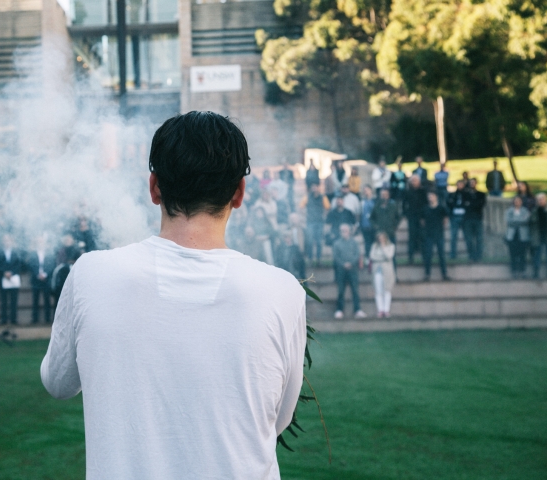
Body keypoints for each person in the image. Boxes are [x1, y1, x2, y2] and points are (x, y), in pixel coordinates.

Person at [41, 111, 307, 479]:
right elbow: (278, 418)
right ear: (239, 193)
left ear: (154, 188)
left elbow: (57, 382)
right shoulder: (281, 291)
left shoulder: (90, 273)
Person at [333, 223, 366, 319]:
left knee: (355, 290)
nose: (344, 233)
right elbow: (336, 257)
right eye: (342, 231)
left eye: (345, 231)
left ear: (349, 232)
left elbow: (357, 255)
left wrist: (351, 263)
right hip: (341, 271)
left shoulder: (354, 243)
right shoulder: (336, 243)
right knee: (340, 291)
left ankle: (357, 310)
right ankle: (339, 310)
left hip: (353, 270)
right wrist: (343, 264)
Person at [421, 191, 450, 281]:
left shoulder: (441, 208)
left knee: (441, 255)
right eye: (429, 196)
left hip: (439, 235)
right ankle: (427, 274)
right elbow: (422, 221)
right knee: (428, 255)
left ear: (436, 197)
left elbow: (446, 219)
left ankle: (444, 274)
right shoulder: (425, 208)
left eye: (432, 196)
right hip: (429, 235)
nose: (430, 198)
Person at [0, 234, 22, 325]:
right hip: (2, 278)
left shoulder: (16, 252)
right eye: (5, 240)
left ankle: (13, 319)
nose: (7, 242)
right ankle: (4, 319)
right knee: (4, 300)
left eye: (8, 240)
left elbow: (19, 264)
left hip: (13, 278)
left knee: (14, 300)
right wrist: (4, 272)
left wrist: (12, 273)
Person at [28, 235, 56, 324]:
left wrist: (45, 274)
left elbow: (51, 265)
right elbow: (31, 265)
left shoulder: (49, 253)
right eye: (39, 242)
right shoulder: (32, 254)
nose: (40, 244)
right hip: (36, 279)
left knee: (47, 299)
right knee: (35, 299)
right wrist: (37, 274)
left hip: (46, 280)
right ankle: (35, 319)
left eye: (42, 242)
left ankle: (47, 319)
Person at [370, 231, 396, 318]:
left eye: (382, 238)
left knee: (387, 290)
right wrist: (382, 258)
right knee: (378, 291)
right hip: (377, 271)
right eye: (379, 238)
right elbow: (372, 256)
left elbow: (389, 256)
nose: (381, 240)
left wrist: (383, 248)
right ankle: (380, 309)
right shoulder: (374, 246)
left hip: (387, 271)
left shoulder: (391, 246)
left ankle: (386, 310)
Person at [505, 196, 531, 278]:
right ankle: (514, 271)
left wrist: (515, 220)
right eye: (515, 201)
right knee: (513, 255)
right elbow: (509, 221)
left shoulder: (525, 211)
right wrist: (520, 220)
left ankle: (522, 271)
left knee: (522, 255)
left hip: (522, 236)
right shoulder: (509, 211)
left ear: (521, 202)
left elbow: (526, 220)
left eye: (519, 201)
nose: (517, 203)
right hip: (512, 236)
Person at [405, 175, 428, 264]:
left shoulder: (423, 192)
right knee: (412, 237)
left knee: (422, 237)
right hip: (412, 217)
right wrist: (407, 214)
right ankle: (410, 257)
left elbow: (426, 204)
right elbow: (404, 204)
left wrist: (424, 217)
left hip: (421, 218)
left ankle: (424, 257)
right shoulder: (408, 192)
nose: (414, 182)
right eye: (413, 181)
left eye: (416, 181)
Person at [462, 178, 486, 262]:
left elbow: (481, 205)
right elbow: (464, 205)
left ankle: (478, 256)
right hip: (468, 219)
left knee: (479, 238)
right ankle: (471, 255)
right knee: (469, 239)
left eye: (473, 182)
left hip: (477, 218)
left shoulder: (481, 194)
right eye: (470, 182)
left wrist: (470, 204)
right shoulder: (465, 194)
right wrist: (474, 204)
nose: (472, 184)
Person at [529, 193, 547, 279]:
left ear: (546, 200)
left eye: (542, 199)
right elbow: (531, 223)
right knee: (537, 254)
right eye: (539, 200)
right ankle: (536, 271)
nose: (540, 201)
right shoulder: (534, 211)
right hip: (538, 235)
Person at [305, 184, 329, 266]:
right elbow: (300, 207)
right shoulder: (307, 197)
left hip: (319, 222)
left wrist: (324, 215)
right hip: (310, 222)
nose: (314, 189)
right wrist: (305, 215)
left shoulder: (323, 197)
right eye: (313, 187)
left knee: (319, 242)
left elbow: (327, 207)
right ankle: (310, 260)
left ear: (318, 188)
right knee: (310, 241)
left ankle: (319, 260)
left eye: (316, 187)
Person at [447, 180, 467, 260]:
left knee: (467, 236)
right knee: (453, 236)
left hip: (464, 217)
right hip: (454, 216)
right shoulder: (453, 195)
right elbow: (449, 203)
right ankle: (453, 254)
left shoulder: (466, 194)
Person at [359, 186, 376, 259]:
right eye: (364, 190)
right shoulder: (362, 202)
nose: (366, 191)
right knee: (367, 243)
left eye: (367, 190)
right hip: (365, 226)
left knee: (374, 243)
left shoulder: (375, 201)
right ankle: (368, 260)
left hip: (374, 226)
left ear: (371, 190)